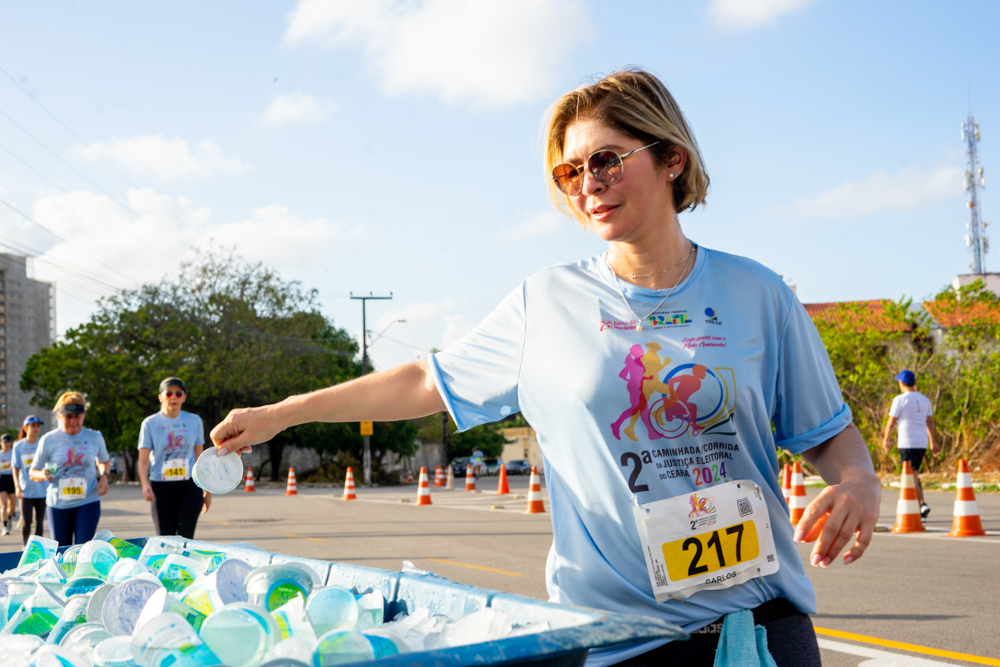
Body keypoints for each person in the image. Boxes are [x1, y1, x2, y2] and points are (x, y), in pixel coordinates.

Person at [210, 69, 881, 666]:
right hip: (615, 641)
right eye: (571, 171)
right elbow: (427, 380)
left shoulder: (758, 294)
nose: (589, 184)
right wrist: (286, 413)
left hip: (758, 630)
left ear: (672, 158)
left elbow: (826, 432)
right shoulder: (548, 300)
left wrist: (859, 484)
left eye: (609, 161)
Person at [30, 392, 110, 546]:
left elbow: (104, 461)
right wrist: (42, 474)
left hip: (88, 501)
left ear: (84, 415)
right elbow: (33, 472)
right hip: (58, 505)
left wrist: (104, 476)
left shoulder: (95, 437)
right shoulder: (49, 439)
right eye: (68, 417)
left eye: (77, 416)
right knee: (62, 551)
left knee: (83, 549)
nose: (73, 421)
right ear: (59, 416)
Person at [137, 377, 210, 538]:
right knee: (165, 539)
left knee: (186, 539)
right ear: (161, 397)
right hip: (161, 488)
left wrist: (207, 490)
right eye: (169, 393)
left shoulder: (194, 420)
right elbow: (143, 461)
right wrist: (144, 484)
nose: (174, 397)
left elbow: (200, 458)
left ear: (184, 397)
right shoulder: (150, 423)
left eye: (179, 393)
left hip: (190, 487)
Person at [882, 369, 938, 519]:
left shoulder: (900, 400)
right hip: (922, 443)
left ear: (902, 383)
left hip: (907, 441)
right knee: (914, 472)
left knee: (910, 474)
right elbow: (930, 423)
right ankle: (919, 507)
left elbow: (891, 422)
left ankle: (921, 504)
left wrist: (886, 440)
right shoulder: (925, 399)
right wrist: (933, 442)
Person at [13, 416, 47, 545]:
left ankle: (37, 549)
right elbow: (15, 468)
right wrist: (17, 486)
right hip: (25, 490)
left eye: (38, 426)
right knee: (26, 522)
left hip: (42, 489)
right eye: (33, 426)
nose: (36, 428)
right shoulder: (18, 446)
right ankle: (25, 546)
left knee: (39, 522)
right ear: (25, 427)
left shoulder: (43, 443)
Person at [0, 434, 15, 535]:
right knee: (3, 504)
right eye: (5, 442)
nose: (7, 444)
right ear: (1, 443)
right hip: (1, 479)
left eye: (8, 442)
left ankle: (9, 518)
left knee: (12, 506)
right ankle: (5, 526)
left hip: (12, 479)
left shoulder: (13, 453)